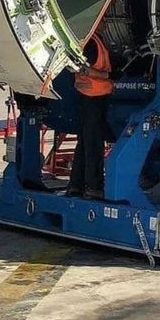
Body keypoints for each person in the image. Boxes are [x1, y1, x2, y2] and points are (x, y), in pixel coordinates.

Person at [66, 33, 113, 200]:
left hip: (86, 95)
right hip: (95, 97)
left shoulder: (85, 39)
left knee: (85, 144)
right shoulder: (92, 42)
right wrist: (108, 76)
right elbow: (84, 68)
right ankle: (93, 187)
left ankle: (76, 186)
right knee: (93, 145)